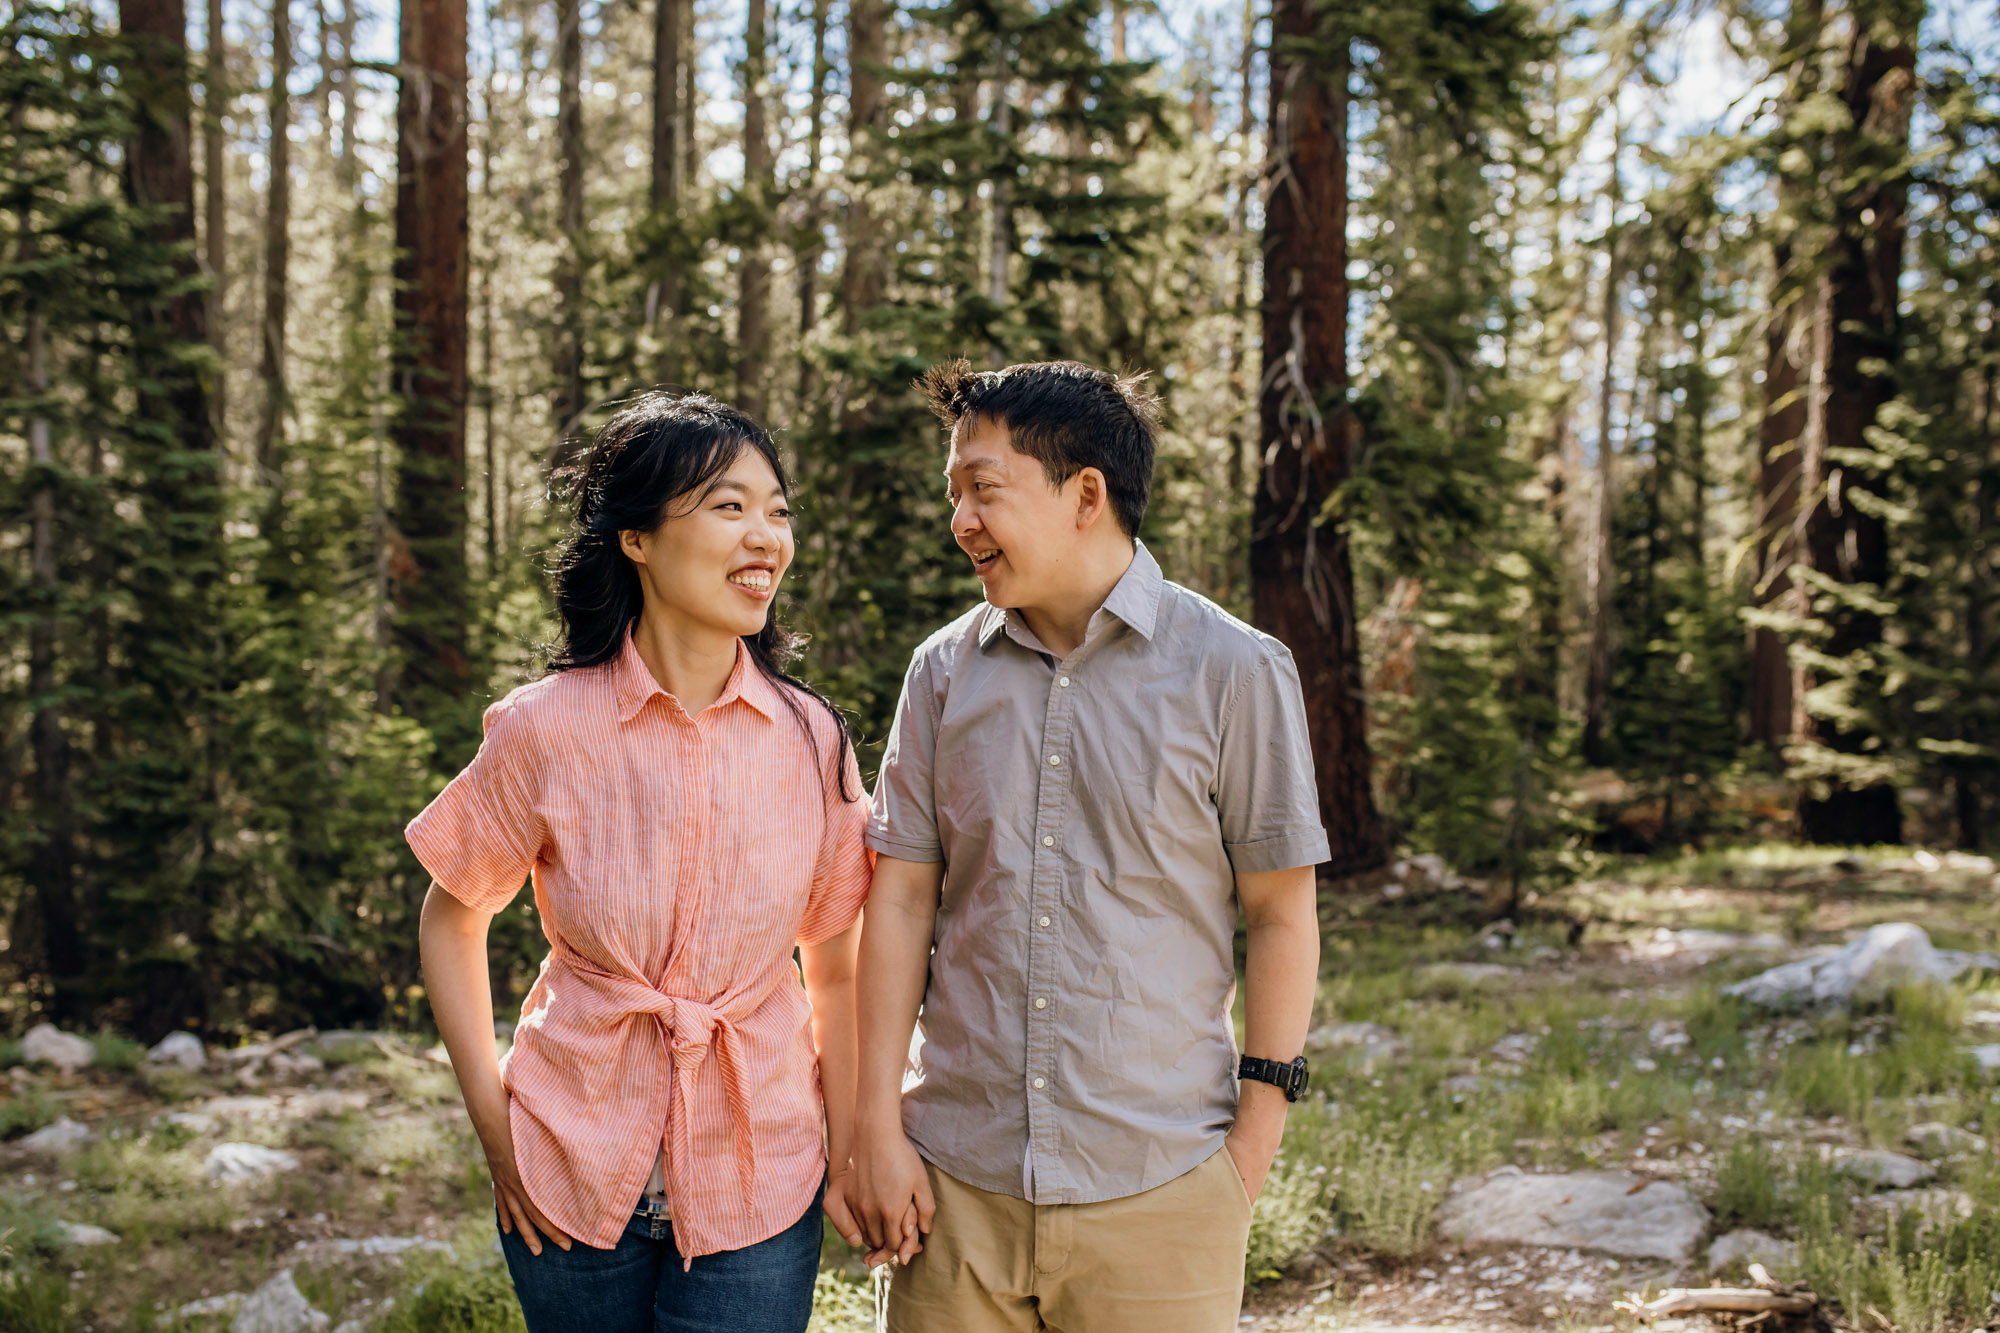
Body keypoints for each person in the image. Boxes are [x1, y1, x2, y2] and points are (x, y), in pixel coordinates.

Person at [850, 359, 1327, 1331]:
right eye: (953, 493)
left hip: (1161, 1187)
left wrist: (1248, 1150)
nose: (960, 520)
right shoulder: (940, 674)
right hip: (957, 1186)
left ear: (1085, 494)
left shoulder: (1234, 669)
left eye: (982, 487)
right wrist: (872, 1126)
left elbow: (1280, 913)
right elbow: (898, 902)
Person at [410, 392, 872, 1333]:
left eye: (777, 510)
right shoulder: (544, 727)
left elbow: (834, 962)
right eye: (728, 505)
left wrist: (855, 1141)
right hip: (565, 1168)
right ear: (638, 539)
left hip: (761, 1172)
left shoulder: (811, 737)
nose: (766, 537)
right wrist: (497, 1131)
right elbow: (451, 916)